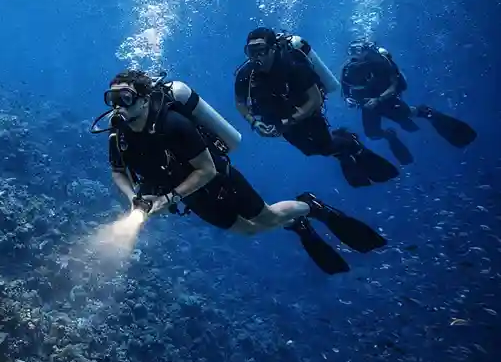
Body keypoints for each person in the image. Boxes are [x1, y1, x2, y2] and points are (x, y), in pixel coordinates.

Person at [100, 69, 387, 276]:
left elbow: (207, 169)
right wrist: (134, 198)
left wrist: (169, 198)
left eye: (124, 98)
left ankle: (310, 206)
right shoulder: (118, 132)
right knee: (249, 231)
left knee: (268, 217)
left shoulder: (174, 124)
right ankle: (297, 223)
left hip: (219, 180)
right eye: (111, 98)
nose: (117, 107)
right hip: (191, 197)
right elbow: (117, 171)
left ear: (145, 98)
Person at [234, 27, 399, 188]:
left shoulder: (293, 66)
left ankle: (350, 144)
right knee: (309, 150)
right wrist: (254, 123)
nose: (255, 57)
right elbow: (240, 102)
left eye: (261, 50)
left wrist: (291, 120)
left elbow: (315, 99)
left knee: (325, 146)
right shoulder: (246, 74)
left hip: (307, 113)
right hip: (280, 119)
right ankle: (343, 151)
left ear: (273, 49)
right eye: (250, 51)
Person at [340, 39, 477, 164]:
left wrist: (378, 99)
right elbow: (344, 88)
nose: (354, 55)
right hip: (368, 105)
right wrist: (348, 99)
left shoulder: (381, 62)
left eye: (357, 50)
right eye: (351, 51)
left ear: (366, 51)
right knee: (372, 134)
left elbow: (393, 86)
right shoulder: (347, 69)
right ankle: (391, 136)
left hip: (386, 99)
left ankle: (425, 112)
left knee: (406, 116)